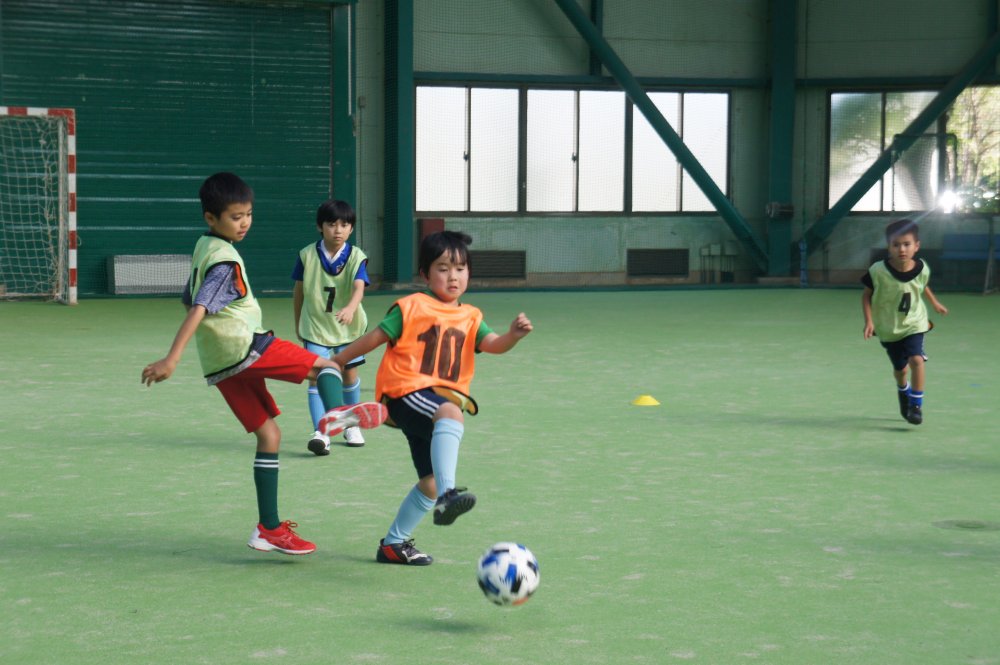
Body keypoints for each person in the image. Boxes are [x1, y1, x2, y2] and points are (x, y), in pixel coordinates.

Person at [141, 172, 386, 556]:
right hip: (246, 345)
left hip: (220, 363)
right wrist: (172, 358)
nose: (244, 223)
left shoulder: (204, 247)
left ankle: (268, 529)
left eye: (248, 214)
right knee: (327, 368)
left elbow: (188, 299)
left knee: (269, 437)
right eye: (235, 216)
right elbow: (200, 307)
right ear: (211, 218)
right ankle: (338, 413)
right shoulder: (224, 261)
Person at [330, 231, 533, 565]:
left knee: (429, 482)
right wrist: (337, 361)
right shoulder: (412, 307)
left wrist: (513, 335)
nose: (452, 276)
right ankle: (449, 495)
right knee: (451, 414)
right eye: (442, 268)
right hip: (406, 390)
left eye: (460, 268)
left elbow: (494, 345)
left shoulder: (471, 316)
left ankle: (393, 544)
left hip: (431, 401)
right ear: (424, 274)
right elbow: (375, 338)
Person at [292, 199, 371, 454]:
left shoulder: (357, 256)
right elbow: (299, 291)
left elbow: (359, 287)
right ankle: (321, 431)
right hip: (316, 327)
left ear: (351, 229)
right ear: (320, 227)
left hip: (349, 329)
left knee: (349, 374)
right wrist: (298, 322)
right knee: (316, 377)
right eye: (331, 224)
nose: (338, 229)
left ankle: (350, 425)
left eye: (344, 224)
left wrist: (350, 307)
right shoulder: (306, 255)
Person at [861, 218, 948, 425]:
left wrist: (934, 303)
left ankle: (916, 406)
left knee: (916, 360)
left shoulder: (922, 268)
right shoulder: (878, 271)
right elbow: (866, 296)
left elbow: (922, 285)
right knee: (901, 371)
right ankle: (903, 391)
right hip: (888, 328)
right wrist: (869, 321)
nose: (902, 249)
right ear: (888, 247)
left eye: (907, 244)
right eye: (896, 244)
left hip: (914, 323)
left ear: (916, 246)